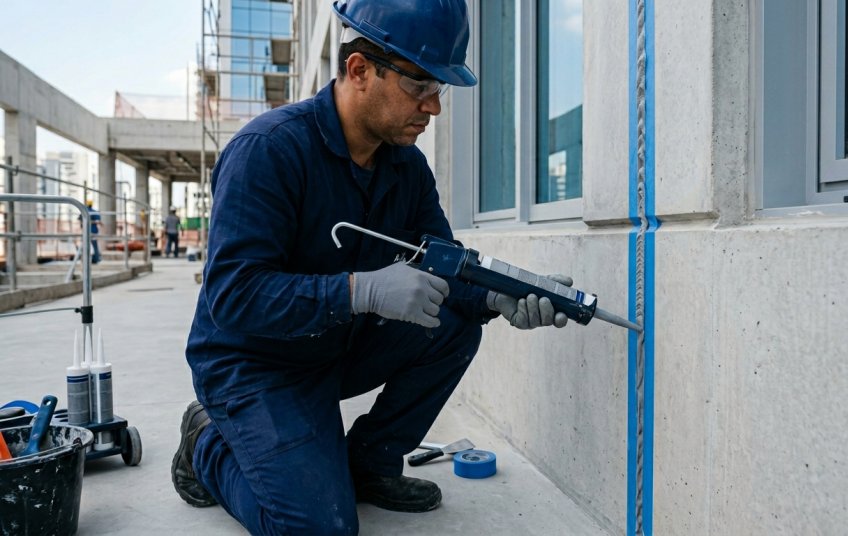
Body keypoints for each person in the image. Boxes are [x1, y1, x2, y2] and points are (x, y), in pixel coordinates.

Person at [171, 1, 572, 534]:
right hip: (255, 364)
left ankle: (371, 463)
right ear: (360, 70)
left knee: (453, 325)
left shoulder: (406, 167)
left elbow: (444, 264)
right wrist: (358, 291)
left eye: (440, 90)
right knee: (321, 529)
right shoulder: (267, 152)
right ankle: (206, 443)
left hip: (333, 345)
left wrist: (498, 297)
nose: (433, 108)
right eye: (419, 86)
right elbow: (234, 295)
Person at [83, 199, 101, 264]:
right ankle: (95, 259)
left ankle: (86, 260)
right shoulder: (94, 212)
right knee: (94, 245)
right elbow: (98, 221)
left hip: (86, 231)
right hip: (93, 231)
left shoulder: (84, 211)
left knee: (86, 246)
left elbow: (80, 221)